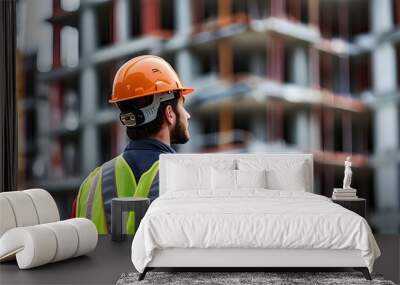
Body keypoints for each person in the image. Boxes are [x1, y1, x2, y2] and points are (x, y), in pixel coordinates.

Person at [73, 55, 194, 234]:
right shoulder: (186, 179)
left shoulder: (89, 185)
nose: (187, 115)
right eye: (182, 106)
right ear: (169, 113)